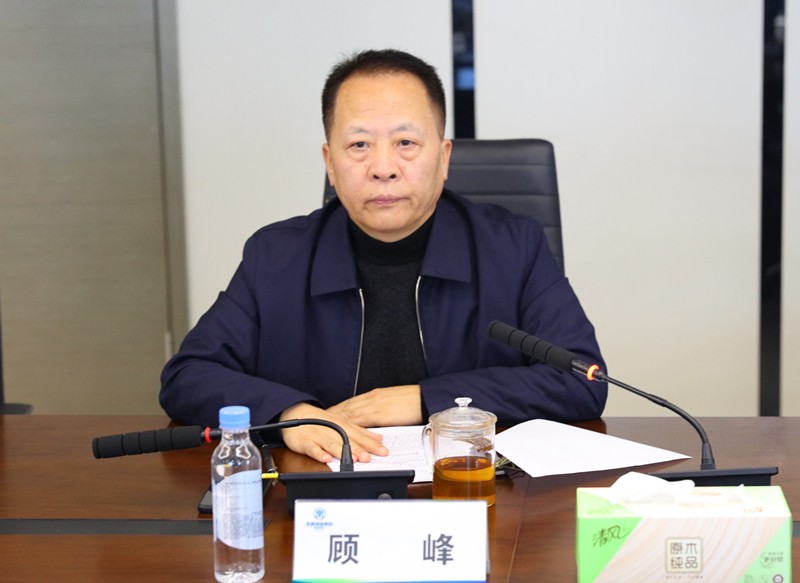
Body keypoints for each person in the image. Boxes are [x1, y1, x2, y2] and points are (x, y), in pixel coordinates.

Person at [160, 49, 606, 465]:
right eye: (359, 145)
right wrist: (289, 415)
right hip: (321, 494)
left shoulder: (512, 247)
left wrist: (427, 399)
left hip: (472, 488)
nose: (383, 168)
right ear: (329, 163)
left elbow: (582, 380)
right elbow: (188, 375)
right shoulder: (276, 257)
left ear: (444, 157)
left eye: (406, 142)